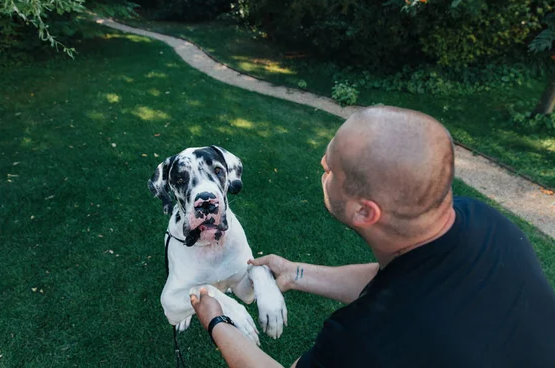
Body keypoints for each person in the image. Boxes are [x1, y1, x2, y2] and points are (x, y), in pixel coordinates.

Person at [189, 106, 555, 368]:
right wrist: (297, 273)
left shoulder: (371, 340)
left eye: (330, 167)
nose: (321, 162)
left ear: (364, 212)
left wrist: (218, 321)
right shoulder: (483, 220)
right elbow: (403, 275)